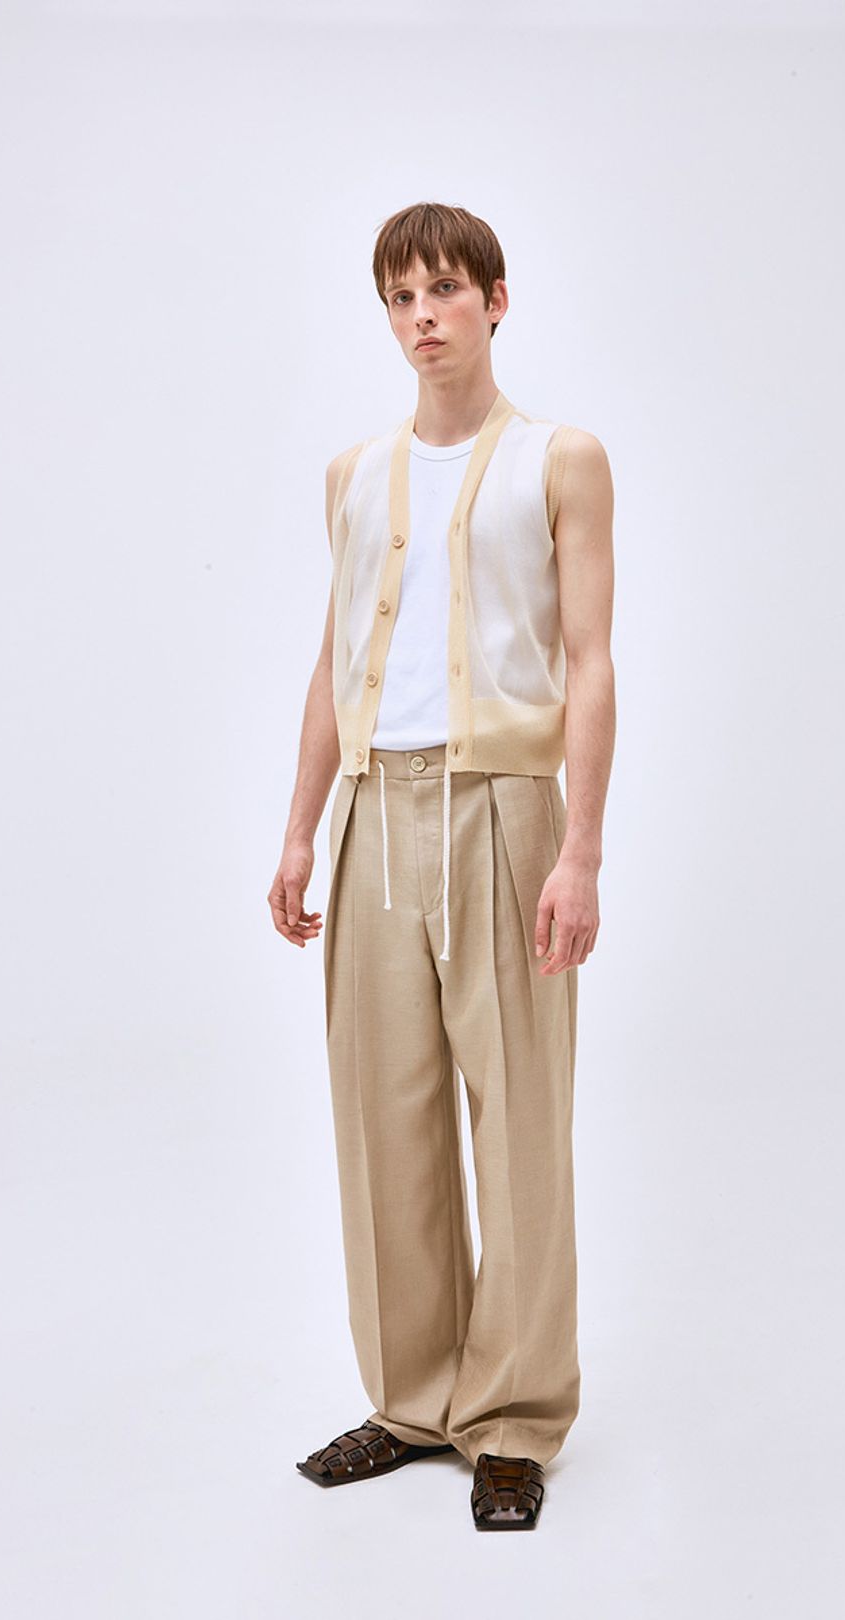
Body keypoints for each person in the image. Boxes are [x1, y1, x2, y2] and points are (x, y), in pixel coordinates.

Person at [270, 201, 615, 1531]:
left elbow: (590, 661)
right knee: (383, 1113)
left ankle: (514, 1417)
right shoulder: (355, 476)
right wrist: (300, 828)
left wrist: (580, 847)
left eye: (445, 292)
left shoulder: (559, 459)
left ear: (495, 301)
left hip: (504, 810)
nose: (423, 317)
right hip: (373, 810)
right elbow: (332, 660)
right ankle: (414, 1399)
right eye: (401, 297)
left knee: (518, 1113)